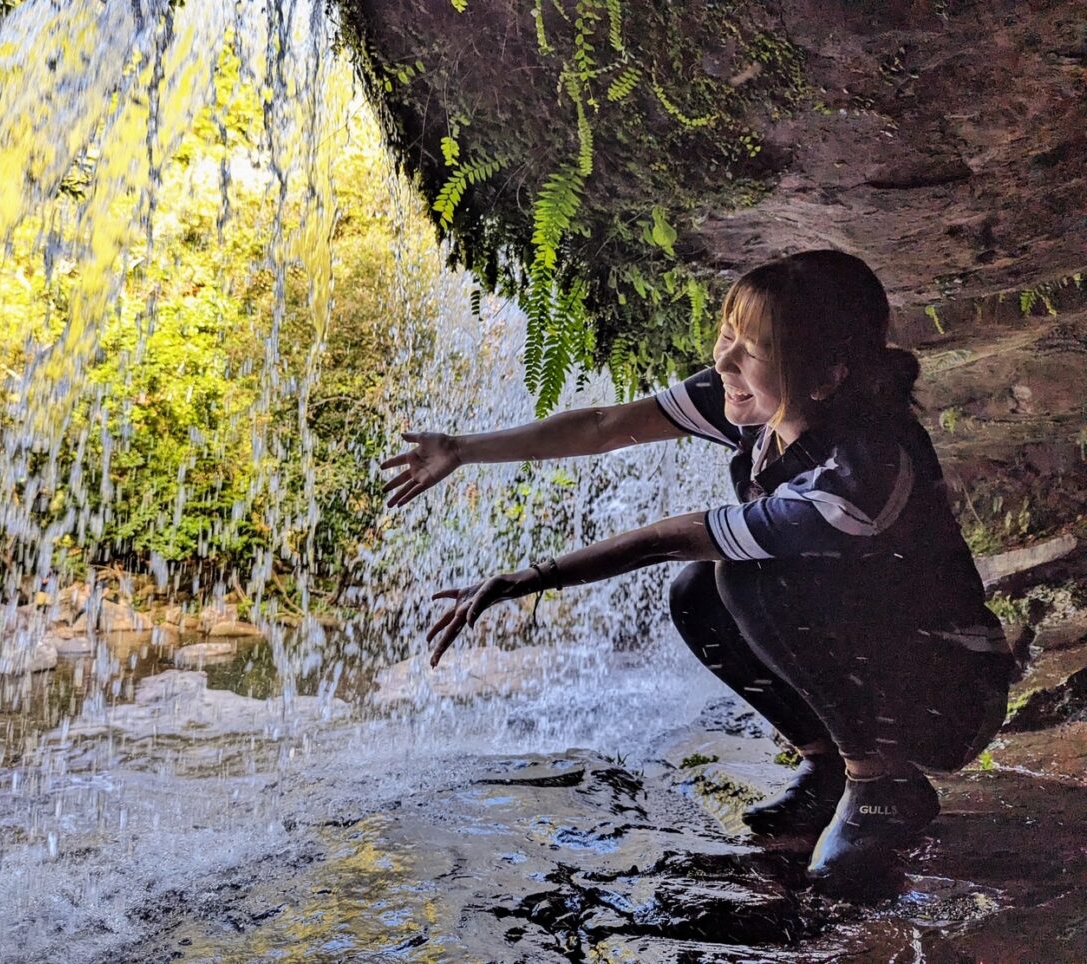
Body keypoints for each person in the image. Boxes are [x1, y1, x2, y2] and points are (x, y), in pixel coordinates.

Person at [379, 249, 1013, 892]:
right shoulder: (757, 404)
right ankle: (828, 769)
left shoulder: (855, 477)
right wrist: (462, 449)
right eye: (728, 335)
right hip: (886, 655)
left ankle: (878, 789)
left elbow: (672, 537)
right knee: (699, 592)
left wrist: (527, 579)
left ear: (826, 376)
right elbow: (604, 425)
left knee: (741, 575)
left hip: (949, 693)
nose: (724, 361)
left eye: (752, 349)